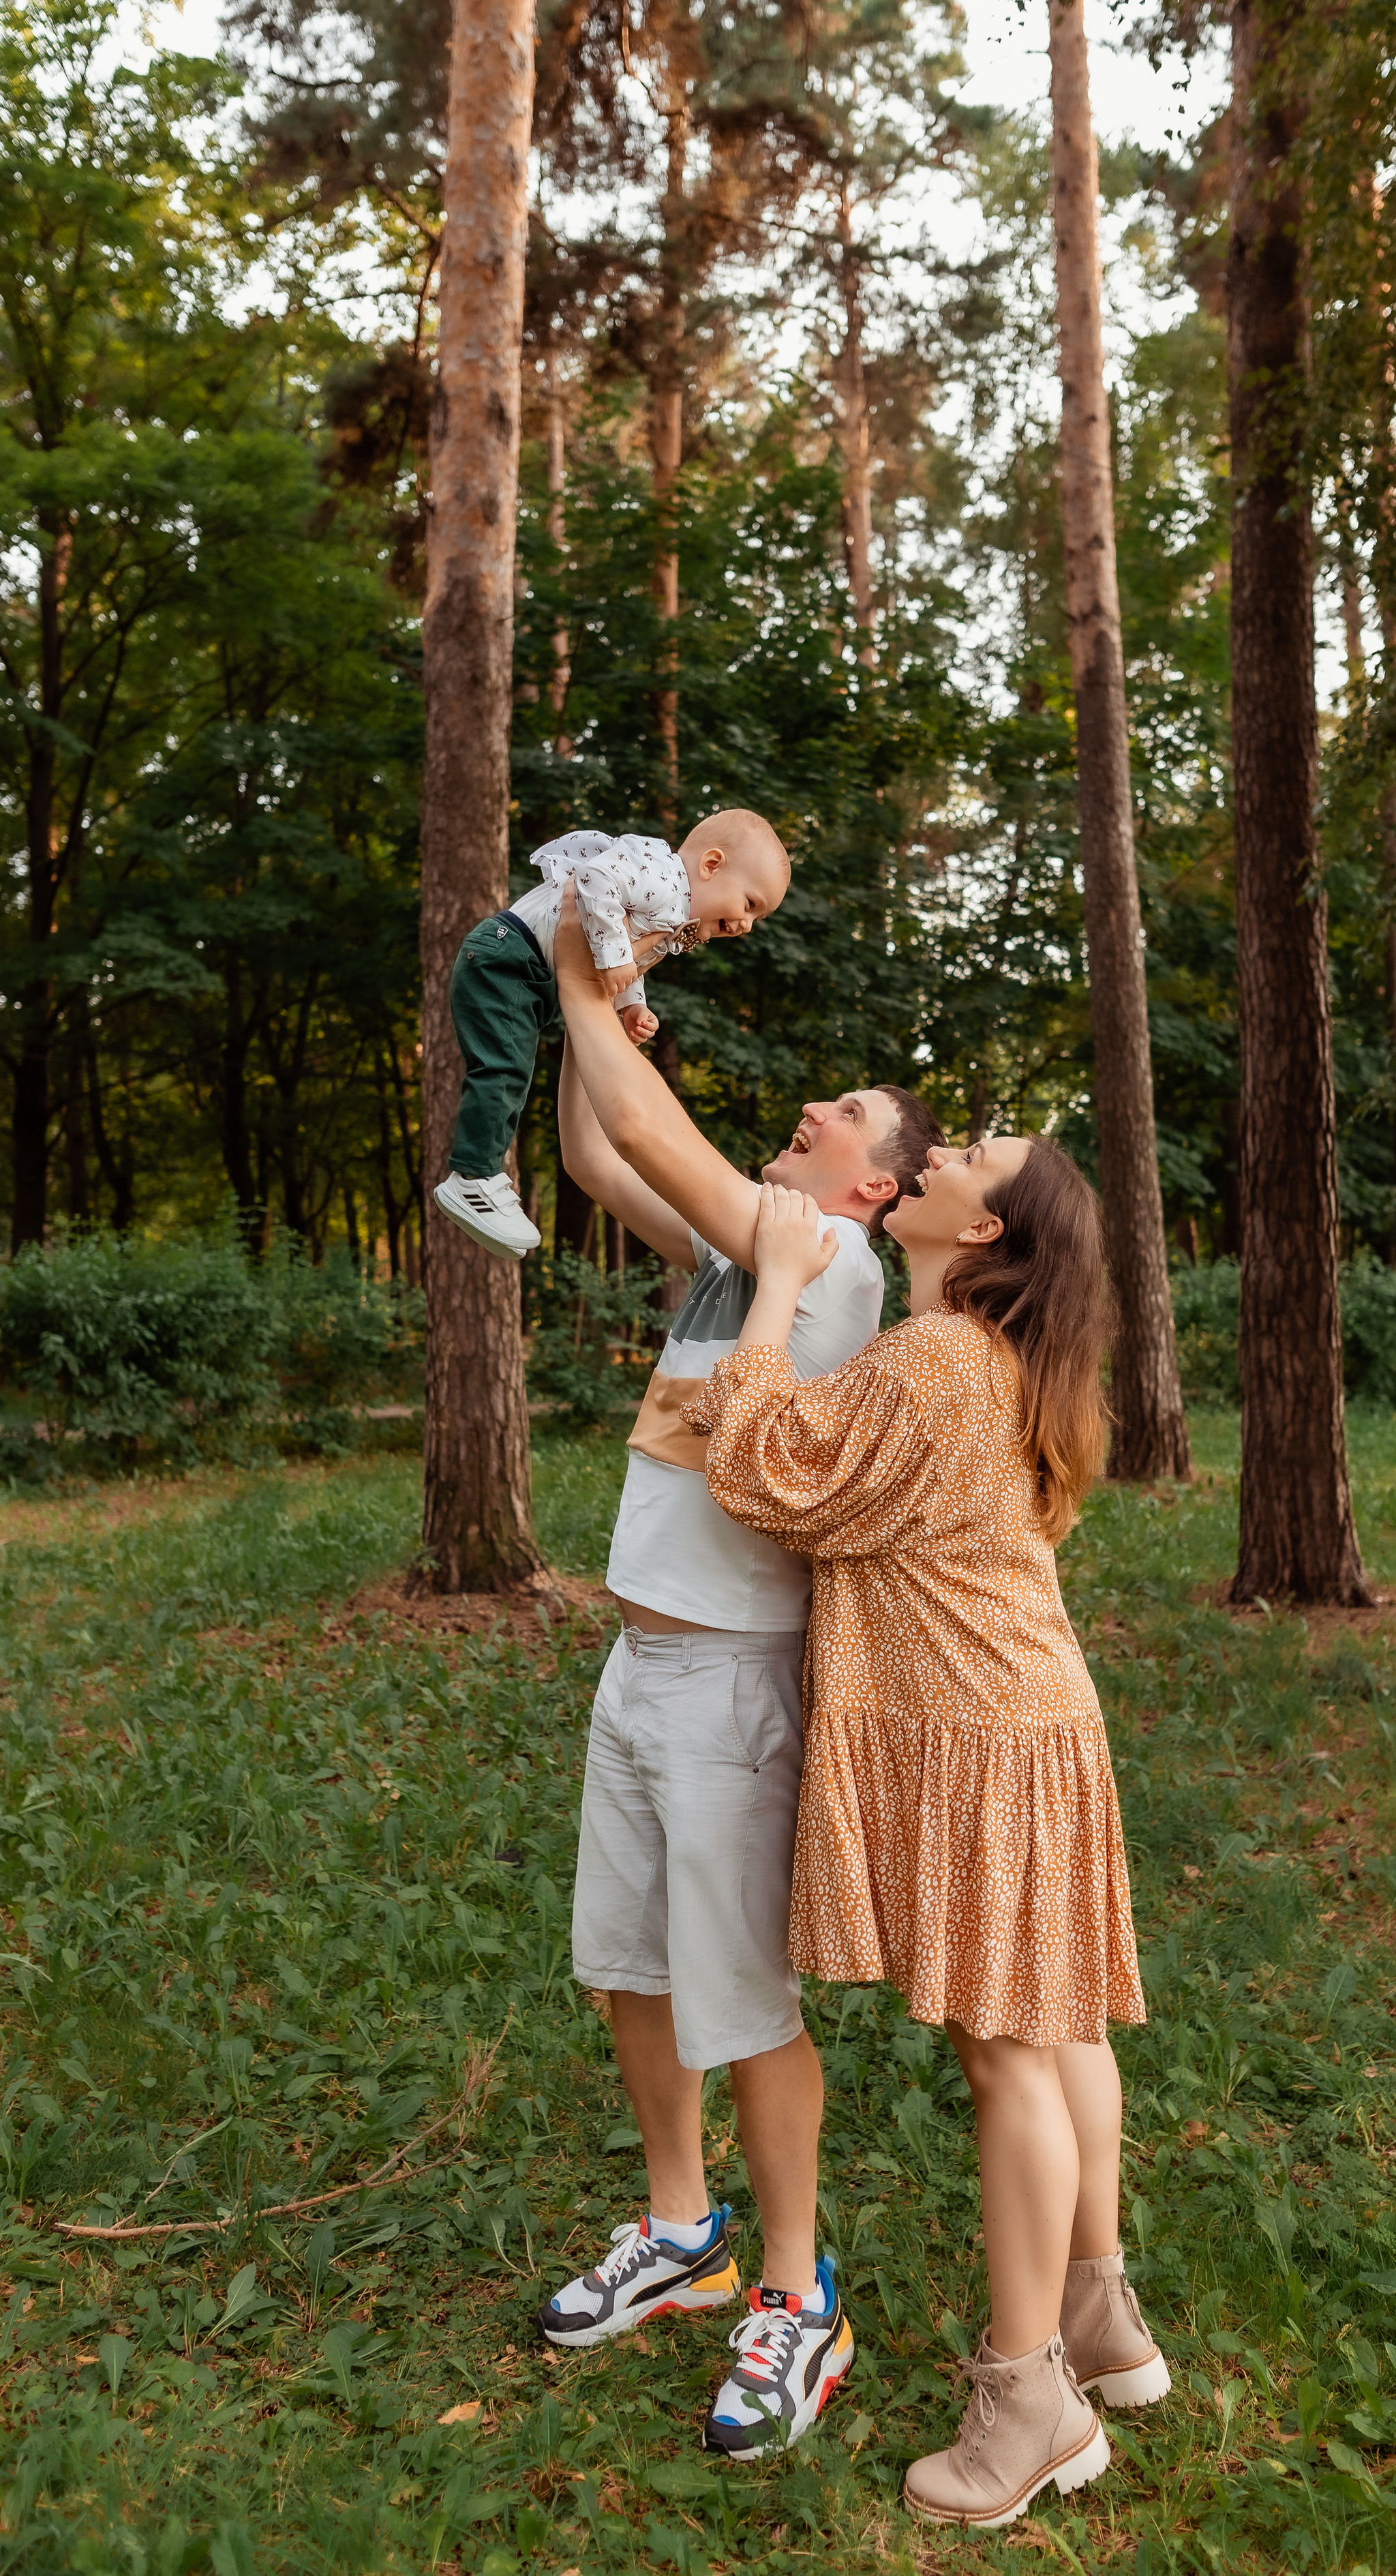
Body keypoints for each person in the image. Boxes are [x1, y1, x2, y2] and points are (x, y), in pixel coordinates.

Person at [680, 1148, 1170, 2529]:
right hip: (1031, 1720)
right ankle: (1100, 2323)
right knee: (1062, 2029)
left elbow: (767, 1471)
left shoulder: (938, 1354)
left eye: (964, 1156)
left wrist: (771, 1293)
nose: (935, 1154)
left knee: (1005, 2053)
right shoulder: (1005, 1363)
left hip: (977, 1736)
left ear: (984, 1224)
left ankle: (1026, 2402)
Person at [537, 894, 941, 2460]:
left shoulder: (829, 1263)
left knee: (741, 1998)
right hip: (638, 1660)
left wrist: (581, 965)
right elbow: (598, 1146)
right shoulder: (744, 1246)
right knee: (627, 1967)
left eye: (845, 1110)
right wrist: (612, 1026)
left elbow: (647, 1120)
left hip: (731, 1683)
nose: (814, 1108)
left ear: (873, 1180)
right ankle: (679, 2231)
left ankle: (795, 2289)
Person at [434, 811, 790, 1260]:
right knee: (504, 1070)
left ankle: (481, 1172)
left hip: (529, 973)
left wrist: (630, 1004)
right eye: (751, 905)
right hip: (508, 957)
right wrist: (617, 957)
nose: (746, 926)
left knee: (513, 1071)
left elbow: (620, 951)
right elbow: (595, 879)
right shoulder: (662, 875)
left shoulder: (671, 910)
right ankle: (473, 1177)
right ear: (712, 865)